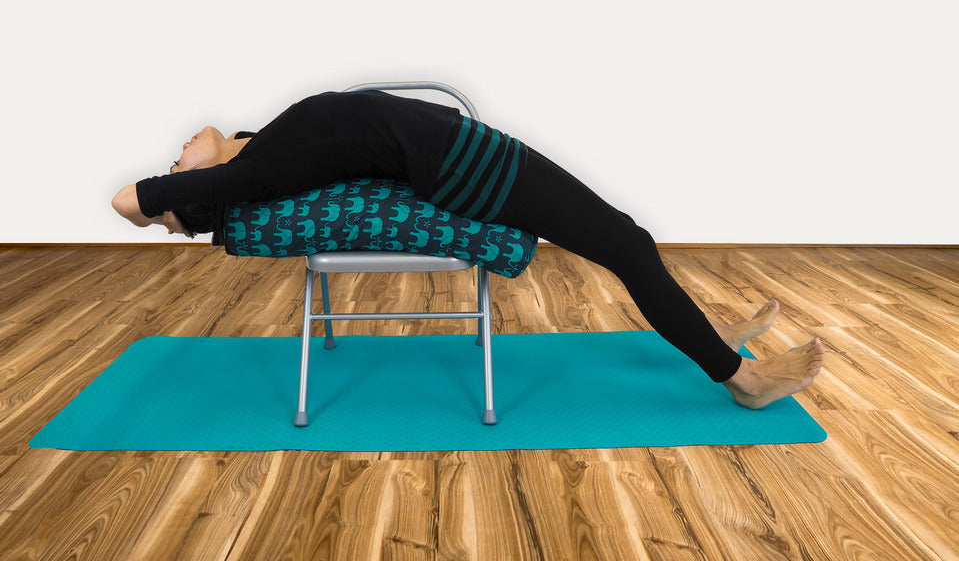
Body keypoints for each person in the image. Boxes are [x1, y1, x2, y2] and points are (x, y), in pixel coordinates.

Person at [113, 89, 824, 409]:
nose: (178, 151)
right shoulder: (255, 171)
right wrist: (168, 205)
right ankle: (739, 378)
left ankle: (705, 336)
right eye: (177, 165)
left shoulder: (263, 141)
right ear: (203, 184)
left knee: (625, 238)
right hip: (473, 174)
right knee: (626, 244)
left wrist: (186, 191)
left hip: (474, 153)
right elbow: (127, 202)